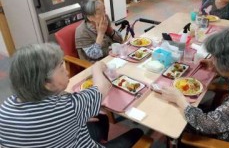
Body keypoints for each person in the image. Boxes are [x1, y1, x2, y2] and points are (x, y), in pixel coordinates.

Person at [0, 43, 143, 148]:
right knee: (137, 132)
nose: (66, 71)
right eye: (60, 68)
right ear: (46, 84)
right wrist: (97, 67)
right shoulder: (68, 107)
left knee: (100, 118)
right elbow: (103, 86)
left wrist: (76, 117)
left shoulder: (5, 108)